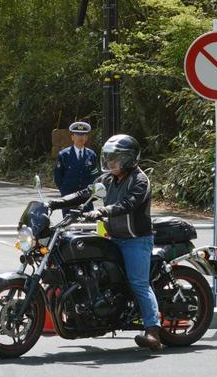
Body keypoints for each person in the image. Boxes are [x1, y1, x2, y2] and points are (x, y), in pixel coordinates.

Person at [48, 134, 162, 351]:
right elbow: (85, 193)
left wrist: (103, 211)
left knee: (138, 283)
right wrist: (56, 202)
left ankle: (153, 331)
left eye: (115, 158)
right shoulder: (108, 179)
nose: (110, 163)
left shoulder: (140, 180)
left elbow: (129, 203)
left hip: (136, 240)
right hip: (113, 238)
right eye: (108, 158)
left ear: (128, 159)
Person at [53, 121, 99, 216]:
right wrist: (64, 191)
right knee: (68, 225)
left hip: (86, 198)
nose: (80, 137)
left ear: (86, 138)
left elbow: (94, 176)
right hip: (68, 197)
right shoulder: (63, 155)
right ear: (72, 137)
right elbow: (58, 176)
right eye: (77, 135)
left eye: (83, 135)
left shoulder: (91, 155)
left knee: (87, 225)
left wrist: (91, 191)